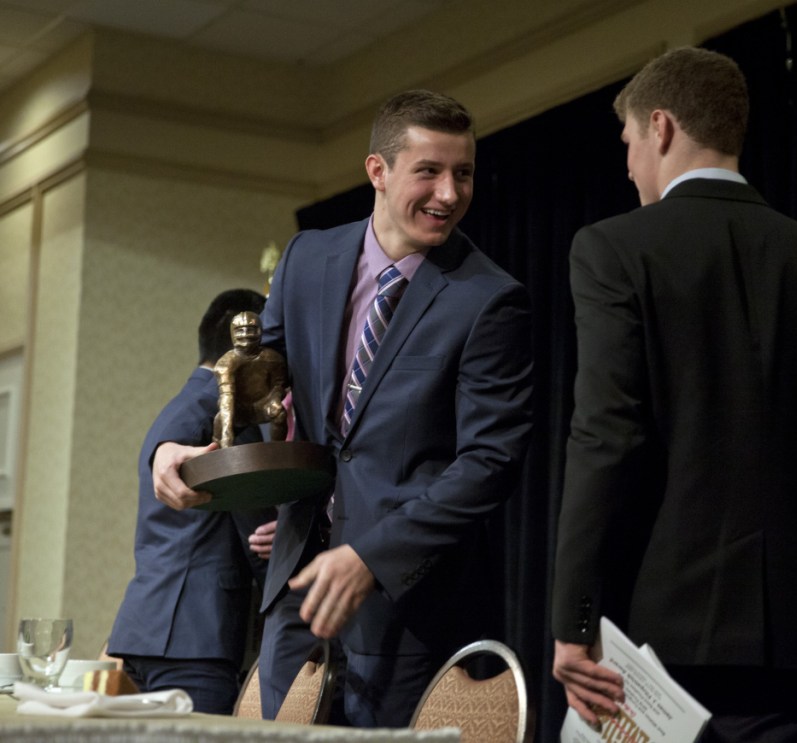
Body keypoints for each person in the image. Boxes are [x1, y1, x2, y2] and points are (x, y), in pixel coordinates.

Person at [151, 90, 534, 727]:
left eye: (462, 173)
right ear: (377, 172)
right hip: (296, 592)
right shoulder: (308, 259)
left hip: (408, 610)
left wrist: (370, 556)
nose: (448, 193)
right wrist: (171, 440)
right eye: (429, 172)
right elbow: (251, 368)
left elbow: (490, 463)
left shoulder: (490, 299)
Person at [550, 47, 797, 742]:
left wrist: (573, 623)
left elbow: (606, 436)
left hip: (655, 649)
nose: (627, 166)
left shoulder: (613, 248)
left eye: (629, 143)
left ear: (662, 128)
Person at [108, 288, 278, 714]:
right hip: (197, 634)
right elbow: (256, 529)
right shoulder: (224, 411)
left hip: (151, 629)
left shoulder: (178, 408)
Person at [212, 311, 288, 449]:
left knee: (279, 412)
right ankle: (216, 452)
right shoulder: (226, 364)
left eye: (251, 330)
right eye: (240, 330)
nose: (246, 334)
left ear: (259, 331)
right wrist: (227, 435)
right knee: (220, 419)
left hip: (263, 404)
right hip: (238, 408)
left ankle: (278, 450)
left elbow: (278, 384)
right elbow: (227, 397)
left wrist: (274, 399)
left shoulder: (273, 359)